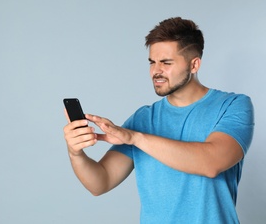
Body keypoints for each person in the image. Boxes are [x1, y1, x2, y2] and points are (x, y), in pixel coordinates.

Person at [63, 17, 254, 223]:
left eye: (166, 63)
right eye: (152, 62)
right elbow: (100, 182)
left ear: (194, 65)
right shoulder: (144, 118)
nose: (156, 71)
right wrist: (76, 153)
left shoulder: (233, 105)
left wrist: (135, 138)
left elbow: (212, 163)